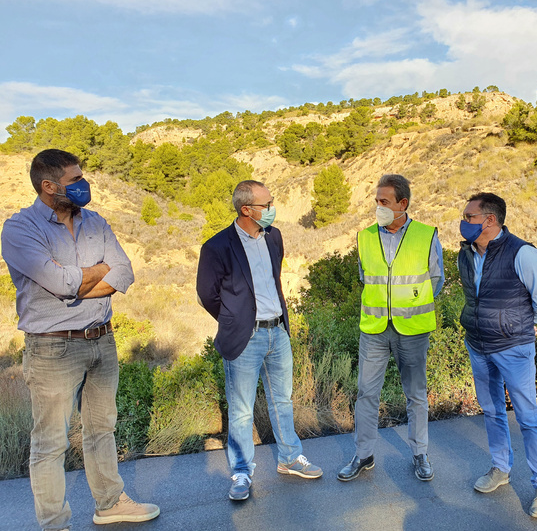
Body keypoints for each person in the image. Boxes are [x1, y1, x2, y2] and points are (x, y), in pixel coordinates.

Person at [1, 149, 159, 530]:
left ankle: (109, 504)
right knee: (50, 443)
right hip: (52, 347)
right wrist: (88, 276)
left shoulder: (95, 222)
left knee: (102, 428)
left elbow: (123, 272)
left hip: (102, 340)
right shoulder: (20, 229)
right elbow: (57, 282)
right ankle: (55, 523)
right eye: (75, 180)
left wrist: (76, 283)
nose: (84, 184)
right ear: (48, 186)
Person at [196, 179, 322, 502]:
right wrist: (234, 320)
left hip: (277, 332)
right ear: (247, 210)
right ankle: (241, 471)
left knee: (282, 400)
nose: (272, 208)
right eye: (267, 204)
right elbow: (206, 295)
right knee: (240, 411)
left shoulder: (274, 237)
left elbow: (274, 279)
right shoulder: (217, 247)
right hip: (245, 338)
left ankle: (290, 458)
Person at [337, 174, 444, 482]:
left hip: (412, 330)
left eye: (384, 202)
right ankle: (364, 455)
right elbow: (365, 277)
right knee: (367, 393)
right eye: (376, 201)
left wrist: (410, 305)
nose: (378, 207)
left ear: (403, 204)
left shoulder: (426, 235)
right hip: (373, 329)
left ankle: (420, 454)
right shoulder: (365, 236)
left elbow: (436, 279)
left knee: (415, 395)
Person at [457, 192, 537, 519]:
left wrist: (519, 326)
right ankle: (501, 468)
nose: (463, 222)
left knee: (528, 416)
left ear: (490, 220)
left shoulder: (523, 253)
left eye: (469, 217)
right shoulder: (466, 253)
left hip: (514, 348)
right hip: (478, 345)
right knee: (492, 411)